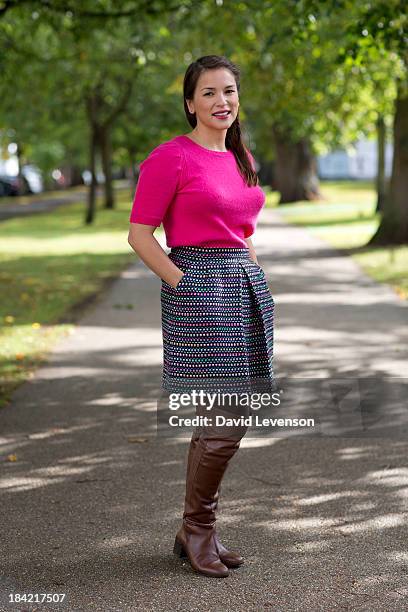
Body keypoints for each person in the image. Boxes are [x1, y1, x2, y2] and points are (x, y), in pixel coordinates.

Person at [128, 55, 276, 578]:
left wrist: (258, 280)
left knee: (223, 415)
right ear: (190, 102)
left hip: (244, 288)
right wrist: (184, 287)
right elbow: (140, 235)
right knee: (227, 418)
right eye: (209, 93)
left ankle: (193, 528)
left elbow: (246, 231)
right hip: (199, 288)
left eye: (229, 91)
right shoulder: (171, 157)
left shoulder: (241, 157)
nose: (222, 102)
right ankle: (199, 529)